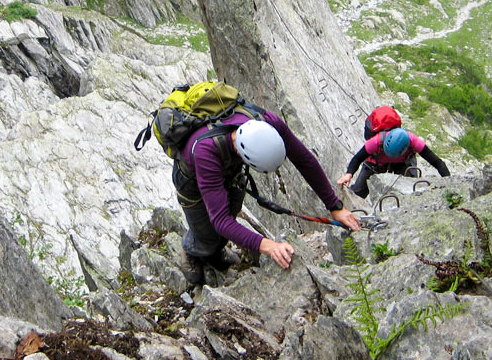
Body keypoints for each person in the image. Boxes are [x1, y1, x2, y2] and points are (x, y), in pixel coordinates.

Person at [174, 109, 361, 287]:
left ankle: (215, 249)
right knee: (207, 230)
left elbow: (304, 160)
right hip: (190, 180)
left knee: (233, 208)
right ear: (240, 153)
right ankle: (192, 248)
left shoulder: (269, 122)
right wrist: (268, 246)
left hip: (228, 168)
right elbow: (220, 220)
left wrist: (335, 206)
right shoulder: (205, 151)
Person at [336, 127, 450, 198]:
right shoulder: (375, 142)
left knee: (409, 190)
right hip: (376, 162)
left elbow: (437, 162)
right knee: (358, 193)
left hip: (402, 163)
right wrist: (349, 174)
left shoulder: (413, 141)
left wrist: (449, 184)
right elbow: (357, 158)